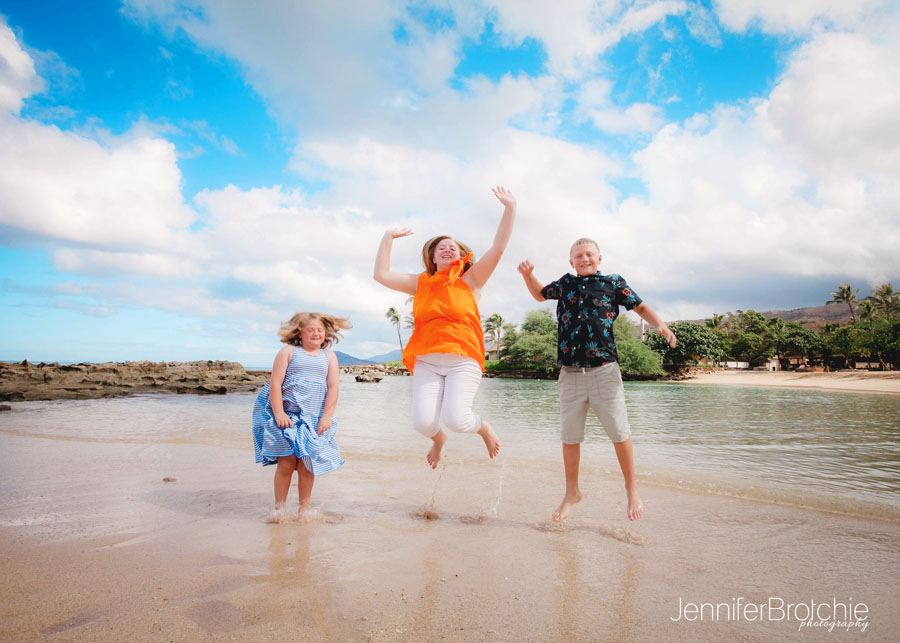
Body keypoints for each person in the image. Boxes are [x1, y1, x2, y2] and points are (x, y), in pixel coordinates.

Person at [518, 238, 676, 522]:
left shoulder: (613, 283)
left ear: (599, 258)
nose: (584, 259)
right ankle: (571, 493)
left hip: (604, 370)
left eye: (589, 254)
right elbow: (540, 294)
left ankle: (632, 488)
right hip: (569, 373)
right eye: (578, 256)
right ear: (571, 262)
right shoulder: (565, 283)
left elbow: (639, 307)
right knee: (570, 437)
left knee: (619, 433)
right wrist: (528, 275)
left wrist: (661, 325)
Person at [374, 186, 516, 469]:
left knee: (457, 420)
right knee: (423, 423)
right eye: (442, 247)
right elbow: (381, 275)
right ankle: (438, 441)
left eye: (453, 246)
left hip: (463, 361)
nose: (448, 248)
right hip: (427, 360)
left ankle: (484, 428)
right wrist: (387, 237)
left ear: (460, 255)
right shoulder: (421, 283)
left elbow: (498, 248)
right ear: (433, 258)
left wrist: (510, 208)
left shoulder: (471, 281)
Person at [252, 312, 351, 522]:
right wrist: (278, 412)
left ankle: (304, 509)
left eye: (320, 330)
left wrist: (327, 416)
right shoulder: (288, 352)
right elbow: (276, 384)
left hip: (314, 420)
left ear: (326, 334)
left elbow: (333, 387)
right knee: (286, 464)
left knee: (307, 465)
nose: (316, 333)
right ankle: (279, 509)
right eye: (310, 329)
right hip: (288, 417)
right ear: (300, 333)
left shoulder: (329, 357)